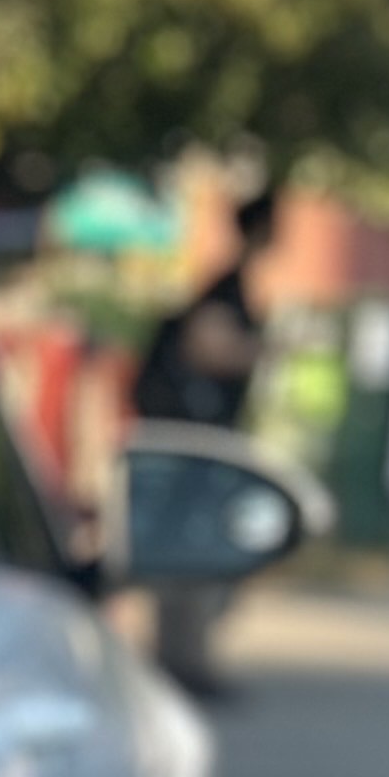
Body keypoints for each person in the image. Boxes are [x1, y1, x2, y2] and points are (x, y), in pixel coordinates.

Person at [130, 185, 282, 695]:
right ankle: (182, 661)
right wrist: (263, 350)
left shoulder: (231, 283)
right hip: (194, 444)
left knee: (194, 551)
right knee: (198, 552)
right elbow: (209, 347)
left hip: (198, 441)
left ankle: (182, 659)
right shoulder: (227, 287)